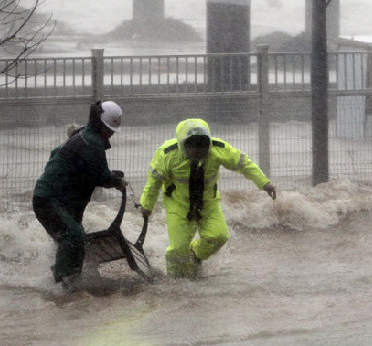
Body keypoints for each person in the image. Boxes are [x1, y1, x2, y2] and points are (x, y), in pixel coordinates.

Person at [139, 118, 277, 278]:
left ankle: (195, 254)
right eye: (194, 147)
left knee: (219, 236)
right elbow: (154, 182)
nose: (200, 151)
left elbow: (243, 164)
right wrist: (146, 206)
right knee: (177, 249)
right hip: (178, 206)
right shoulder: (167, 154)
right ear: (184, 145)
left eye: (203, 146)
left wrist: (264, 183)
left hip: (208, 204)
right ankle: (176, 282)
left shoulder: (217, 149)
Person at [33, 100, 127, 287]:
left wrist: (111, 177)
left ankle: (72, 281)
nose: (111, 135)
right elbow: (102, 177)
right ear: (100, 124)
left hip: (63, 201)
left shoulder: (84, 136)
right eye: (109, 130)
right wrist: (116, 182)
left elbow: (58, 155)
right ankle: (61, 285)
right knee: (73, 236)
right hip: (49, 200)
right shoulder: (91, 143)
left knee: (75, 240)